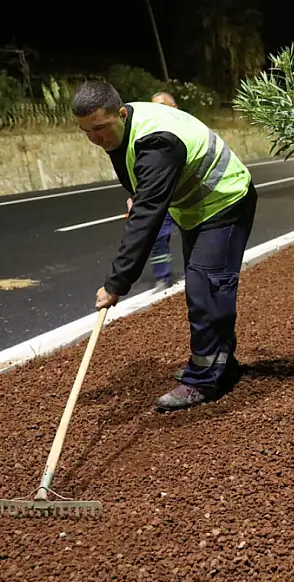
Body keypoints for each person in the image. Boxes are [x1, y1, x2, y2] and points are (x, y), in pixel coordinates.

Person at [73, 80, 257, 411]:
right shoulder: (125, 128)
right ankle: (218, 365)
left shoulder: (156, 142)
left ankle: (203, 380)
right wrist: (139, 195)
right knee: (205, 288)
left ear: (122, 113)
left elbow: (147, 218)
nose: (95, 139)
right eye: (87, 132)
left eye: (100, 128)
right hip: (195, 208)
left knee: (207, 289)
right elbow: (143, 189)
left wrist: (117, 283)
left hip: (225, 200)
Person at [144, 91, 180, 290]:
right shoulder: (151, 133)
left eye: (161, 106)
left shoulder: (188, 128)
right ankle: (163, 277)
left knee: (196, 236)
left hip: (187, 194)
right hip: (163, 196)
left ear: (173, 108)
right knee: (157, 236)